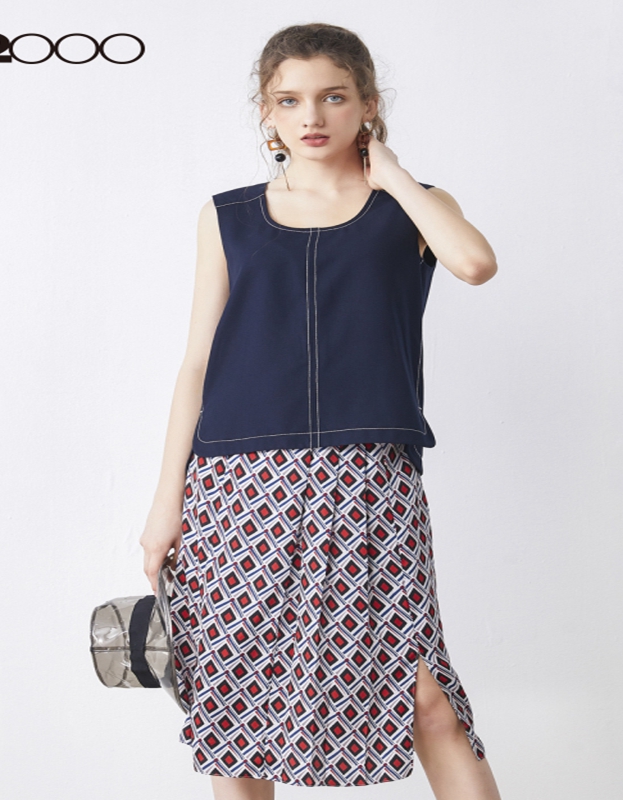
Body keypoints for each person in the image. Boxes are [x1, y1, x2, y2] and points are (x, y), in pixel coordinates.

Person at [139, 22, 501, 799]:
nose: (311, 116)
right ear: (265, 112)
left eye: (334, 97)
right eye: (289, 100)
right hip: (239, 487)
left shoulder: (413, 207)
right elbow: (197, 363)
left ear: (368, 104)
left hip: (368, 479)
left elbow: (475, 264)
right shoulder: (228, 216)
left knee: (426, 697)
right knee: (236, 700)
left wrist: (394, 176)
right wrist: (166, 504)